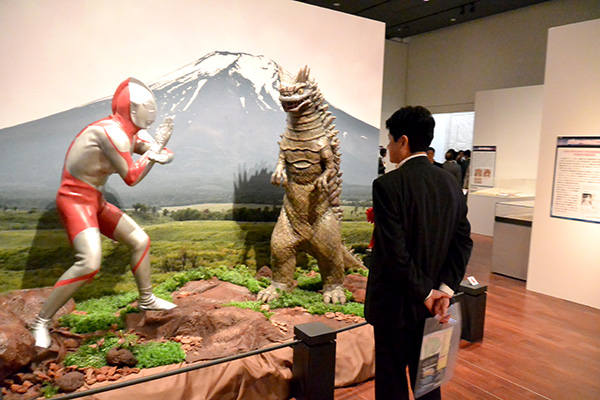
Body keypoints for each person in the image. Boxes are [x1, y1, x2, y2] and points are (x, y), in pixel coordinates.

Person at [30, 78, 177, 348]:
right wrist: (156, 151)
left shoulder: (131, 132)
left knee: (140, 240)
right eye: (147, 107)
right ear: (133, 109)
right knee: (88, 263)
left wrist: (157, 151)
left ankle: (146, 298)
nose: (152, 113)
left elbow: (163, 153)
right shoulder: (113, 133)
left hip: (94, 200)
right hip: (75, 200)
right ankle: (40, 322)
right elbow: (132, 176)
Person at [365, 106, 473, 400]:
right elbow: (463, 242)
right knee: (428, 381)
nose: (388, 146)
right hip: (435, 307)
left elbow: (394, 252)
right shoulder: (451, 184)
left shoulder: (388, 185)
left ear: (403, 141)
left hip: (394, 305)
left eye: (390, 139)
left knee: (391, 382)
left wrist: (425, 293)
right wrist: (443, 290)